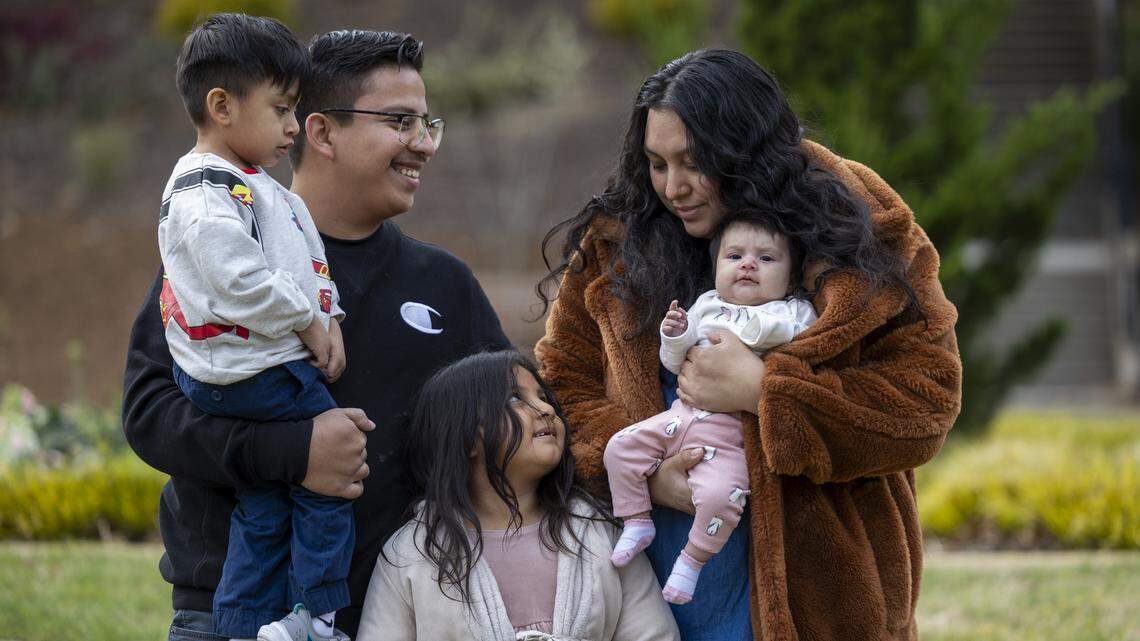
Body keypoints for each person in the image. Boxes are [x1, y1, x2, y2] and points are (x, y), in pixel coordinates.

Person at [535, 49, 961, 641]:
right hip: (646, 591)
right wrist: (643, 475)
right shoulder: (618, 241)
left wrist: (769, 392)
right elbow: (563, 385)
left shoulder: (861, 225)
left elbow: (927, 402)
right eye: (656, 163)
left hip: (822, 598)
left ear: (747, 149)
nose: (673, 187)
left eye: (693, 161)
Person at [123, 29, 510, 641]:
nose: (424, 145)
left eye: (427, 123)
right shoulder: (220, 257)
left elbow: (507, 429)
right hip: (232, 616)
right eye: (401, 122)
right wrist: (294, 454)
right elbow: (149, 414)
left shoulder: (446, 284)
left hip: (404, 613)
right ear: (321, 132)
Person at [158, 14, 353, 640]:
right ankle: (317, 613)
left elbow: (304, 257)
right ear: (221, 106)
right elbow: (235, 282)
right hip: (252, 371)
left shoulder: (254, 186)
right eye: (282, 109)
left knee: (266, 502)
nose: (293, 127)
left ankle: (243, 625)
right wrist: (308, 322)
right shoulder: (201, 192)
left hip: (266, 362)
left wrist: (331, 318)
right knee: (335, 464)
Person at [356, 351, 680, 641]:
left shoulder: (601, 532)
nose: (545, 409)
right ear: (466, 439)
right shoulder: (412, 554)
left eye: (543, 397)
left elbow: (653, 633)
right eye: (514, 399)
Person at [604, 217, 816, 605]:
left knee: (722, 497)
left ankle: (691, 562)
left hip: (731, 436)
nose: (748, 264)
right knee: (618, 448)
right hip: (679, 418)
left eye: (766, 258)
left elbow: (806, 354)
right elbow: (673, 363)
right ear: (717, 268)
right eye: (735, 256)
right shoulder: (706, 305)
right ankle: (636, 520)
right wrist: (676, 335)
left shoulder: (793, 314)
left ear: (790, 276)